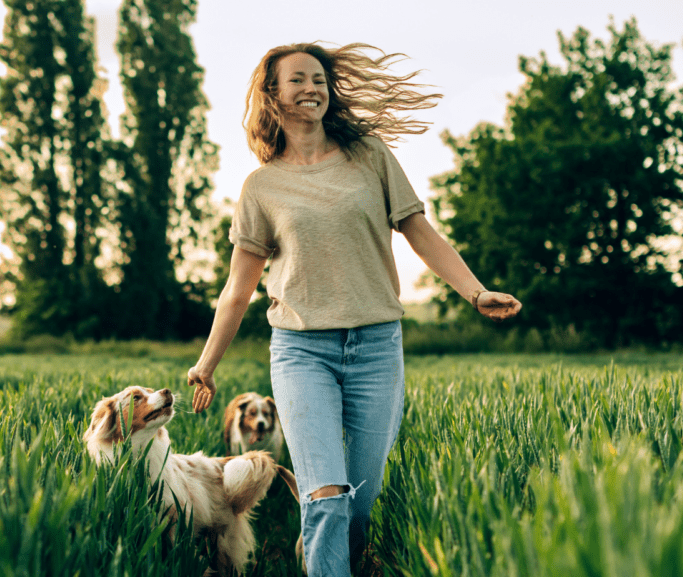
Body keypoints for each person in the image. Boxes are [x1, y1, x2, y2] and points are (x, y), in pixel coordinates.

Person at [186, 41, 521, 576]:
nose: (311, 88)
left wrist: (475, 291)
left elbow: (420, 232)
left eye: (318, 79)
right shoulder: (262, 186)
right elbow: (236, 289)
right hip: (301, 351)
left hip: (376, 346)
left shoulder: (371, 156)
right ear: (271, 94)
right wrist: (206, 364)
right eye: (297, 79)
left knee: (359, 503)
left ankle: (325, 551)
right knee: (325, 494)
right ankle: (325, 555)